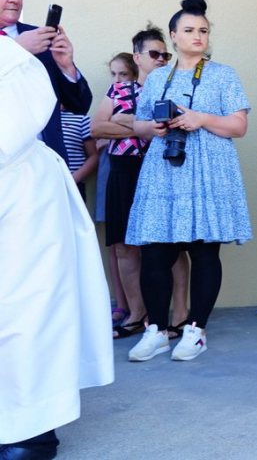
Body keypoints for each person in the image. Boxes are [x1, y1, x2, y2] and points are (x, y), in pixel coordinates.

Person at [0, 35, 113, 460]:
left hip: (25, 185)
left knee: (30, 305)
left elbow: (75, 103)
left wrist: (61, 65)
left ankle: (32, 429)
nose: (11, 2)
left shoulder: (28, 45)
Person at [125, 0, 252, 362]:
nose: (198, 36)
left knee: (204, 249)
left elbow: (239, 126)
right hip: (164, 170)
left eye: (203, 31)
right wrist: (154, 127)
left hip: (208, 170)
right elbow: (138, 125)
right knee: (154, 251)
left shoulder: (223, 74)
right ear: (173, 36)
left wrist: (201, 119)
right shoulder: (157, 77)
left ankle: (196, 331)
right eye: (190, 30)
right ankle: (156, 331)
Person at [92, 30, 190, 341]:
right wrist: (142, 127)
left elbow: (174, 129)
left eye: (165, 55)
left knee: (172, 245)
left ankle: (180, 315)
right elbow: (97, 127)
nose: (161, 59)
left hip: (162, 171)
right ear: (137, 57)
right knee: (124, 245)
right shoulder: (120, 89)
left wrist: (123, 121)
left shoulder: (176, 90)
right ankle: (137, 314)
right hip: (123, 170)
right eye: (154, 54)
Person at [0, 0, 92, 164]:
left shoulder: (40, 37)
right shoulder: (26, 42)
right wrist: (16, 50)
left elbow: (80, 105)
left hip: (42, 163)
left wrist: (67, 67)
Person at [96, 53, 137, 328]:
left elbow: (151, 129)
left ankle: (139, 307)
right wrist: (132, 126)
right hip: (111, 169)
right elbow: (98, 129)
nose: (117, 79)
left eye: (123, 74)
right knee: (115, 241)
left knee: (134, 245)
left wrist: (121, 122)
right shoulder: (113, 94)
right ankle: (122, 305)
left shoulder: (143, 92)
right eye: (113, 74)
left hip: (133, 168)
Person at [60, 104, 98, 201]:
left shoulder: (81, 120)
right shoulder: (39, 122)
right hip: (44, 184)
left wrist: (72, 180)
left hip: (74, 184)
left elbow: (94, 156)